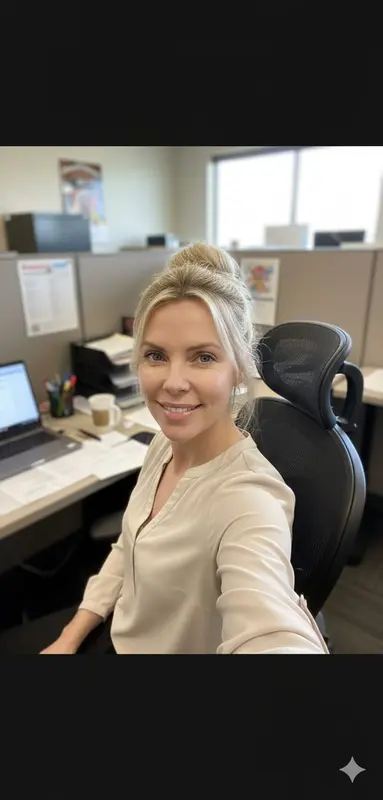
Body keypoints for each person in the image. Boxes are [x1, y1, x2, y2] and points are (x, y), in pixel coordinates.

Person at [2, 244, 328, 654]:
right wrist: (71, 635)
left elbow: (270, 627)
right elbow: (128, 545)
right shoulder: (163, 443)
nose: (173, 382)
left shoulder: (249, 501)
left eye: (203, 357)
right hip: (115, 636)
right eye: (156, 355)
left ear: (240, 367)